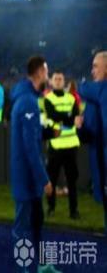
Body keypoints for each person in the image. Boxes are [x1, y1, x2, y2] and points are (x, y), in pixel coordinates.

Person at [10, 56, 53, 273]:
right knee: (22, 228)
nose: (48, 76)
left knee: (37, 222)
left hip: (30, 180)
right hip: (26, 179)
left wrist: (48, 132)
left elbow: (33, 135)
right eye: (47, 72)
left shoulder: (29, 98)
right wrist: (44, 179)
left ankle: (43, 265)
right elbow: (30, 147)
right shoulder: (27, 101)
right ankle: (23, 270)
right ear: (39, 73)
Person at [43, 71, 81, 219]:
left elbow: (74, 117)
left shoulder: (71, 98)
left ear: (64, 81)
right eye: (56, 79)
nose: (58, 81)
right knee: (52, 179)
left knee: (72, 180)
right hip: (56, 145)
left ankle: (74, 211)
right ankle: (51, 207)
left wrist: (64, 117)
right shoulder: (48, 99)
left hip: (71, 146)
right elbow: (53, 116)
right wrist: (67, 116)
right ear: (51, 82)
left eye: (60, 79)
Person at [77, 51, 107, 234]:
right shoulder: (94, 100)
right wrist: (80, 127)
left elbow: (83, 88)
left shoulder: (99, 92)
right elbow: (88, 136)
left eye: (96, 66)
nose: (92, 70)